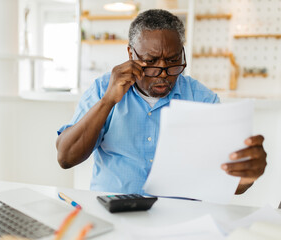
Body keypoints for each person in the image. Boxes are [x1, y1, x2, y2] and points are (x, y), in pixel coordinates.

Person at [56, 9, 267, 195]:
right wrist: (107, 102)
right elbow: (66, 158)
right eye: (150, 61)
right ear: (130, 53)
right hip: (113, 213)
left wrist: (248, 175)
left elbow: (229, 181)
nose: (163, 74)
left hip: (179, 219)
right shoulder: (103, 89)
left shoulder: (202, 99)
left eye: (174, 61)